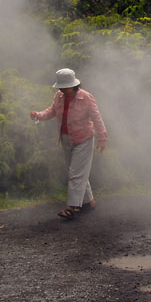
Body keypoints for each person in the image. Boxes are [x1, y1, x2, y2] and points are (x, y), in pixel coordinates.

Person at [31, 68, 107, 220]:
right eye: (60, 86)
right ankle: (89, 202)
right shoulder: (59, 96)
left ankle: (72, 207)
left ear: (73, 85)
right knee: (78, 172)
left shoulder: (86, 98)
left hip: (84, 139)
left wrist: (102, 137)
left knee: (75, 173)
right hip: (66, 139)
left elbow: (96, 118)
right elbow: (52, 111)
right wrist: (38, 115)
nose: (62, 89)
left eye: (64, 86)